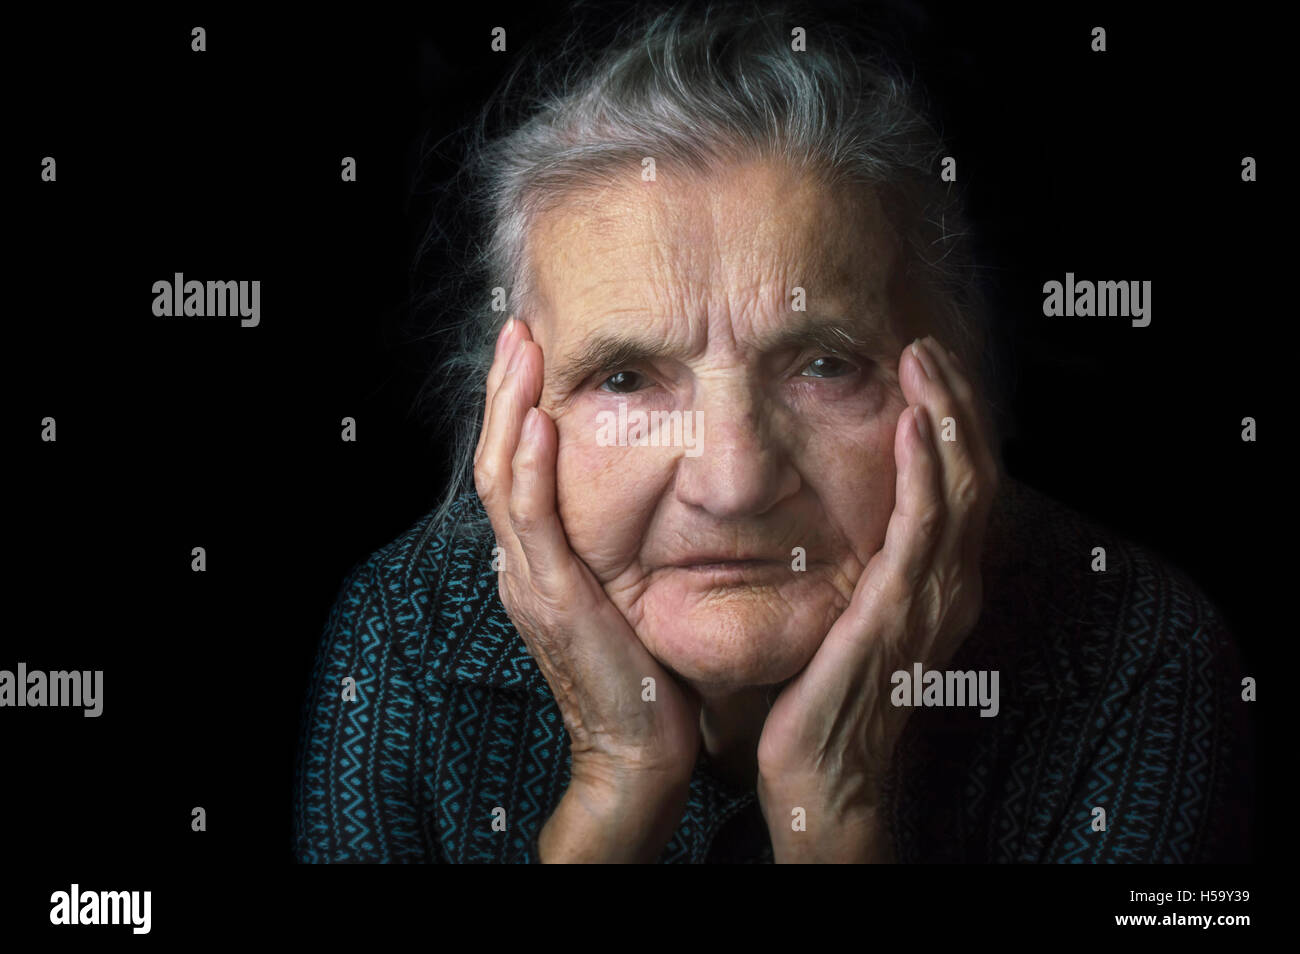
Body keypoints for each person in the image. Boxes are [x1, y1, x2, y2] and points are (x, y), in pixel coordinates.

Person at [293, 2, 1252, 863]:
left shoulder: (1136, 653)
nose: (735, 481)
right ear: (509, 419)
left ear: (952, 385)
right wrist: (617, 786)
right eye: (624, 379)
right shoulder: (405, 639)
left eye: (825, 365)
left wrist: (833, 806)